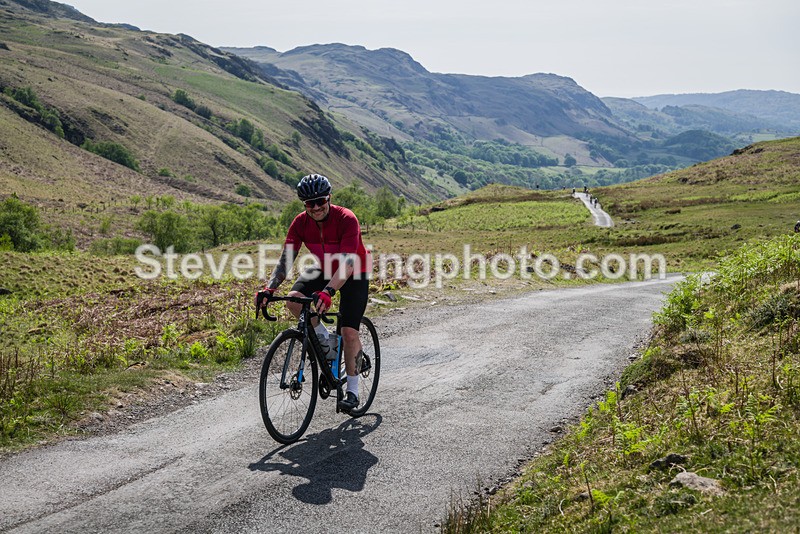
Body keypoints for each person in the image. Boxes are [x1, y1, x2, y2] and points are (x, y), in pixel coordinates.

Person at [261, 174, 372, 412]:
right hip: (324, 267)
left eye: (320, 201)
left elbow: (347, 264)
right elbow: (285, 260)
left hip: (355, 272)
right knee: (294, 301)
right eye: (309, 203)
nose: (316, 207)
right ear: (304, 204)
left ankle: (352, 392)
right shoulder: (300, 223)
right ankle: (326, 341)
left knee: (349, 331)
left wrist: (328, 291)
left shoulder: (347, 219)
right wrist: (270, 289)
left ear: (329, 198)